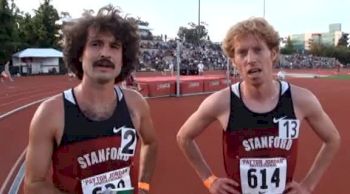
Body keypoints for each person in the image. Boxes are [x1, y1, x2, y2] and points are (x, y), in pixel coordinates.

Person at [177, 17, 340, 194]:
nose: (250, 59)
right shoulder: (221, 102)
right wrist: (209, 180)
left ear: (273, 53)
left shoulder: (300, 100)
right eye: (242, 52)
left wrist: (308, 185)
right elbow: (183, 137)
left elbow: (333, 139)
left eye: (258, 50)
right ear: (234, 61)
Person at [24, 6, 158, 194]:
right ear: (80, 53)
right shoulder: (50, 113)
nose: (105, 53)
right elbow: (33, 184)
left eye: (114, 46)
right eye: (96, 44)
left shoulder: (135, 104)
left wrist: (143, 186)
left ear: (123, 58)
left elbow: (151, 143)